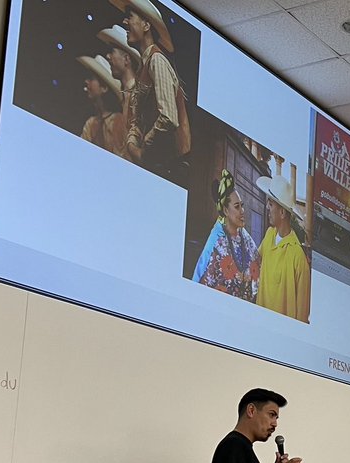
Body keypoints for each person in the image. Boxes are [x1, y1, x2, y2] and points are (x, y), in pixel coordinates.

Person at [115, 0, 191, 179]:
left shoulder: (157, 61)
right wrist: (132, 143)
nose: (125, 22)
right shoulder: (145, 66)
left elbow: (169, 118)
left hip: (169, 165)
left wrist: (143, 149)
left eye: (130, 17)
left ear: (146, 25)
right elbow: (138, 117)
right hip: (159, 163)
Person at [193, 170, 260, 302]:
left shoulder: (245, 237)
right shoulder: (217, 243)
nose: (242, 211)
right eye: (237, 207)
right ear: (225, 210)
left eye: (242, 206)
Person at [255, 174, 310, 322]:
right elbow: (255, 260)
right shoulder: (268, 235)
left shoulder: (298, 257)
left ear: (282, 212)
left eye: (271, 204)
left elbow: (302, 315)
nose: (267, 207)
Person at [96, 24, 140, 163]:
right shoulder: (126, 95)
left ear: (126, 59)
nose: (108, 56)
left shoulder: (137, 94)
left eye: (112, 52)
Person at [75, 54, 126, 157]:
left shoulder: (119, 121)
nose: (86, 81)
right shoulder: (90, 124)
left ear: (104, 88)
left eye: (91, 78)